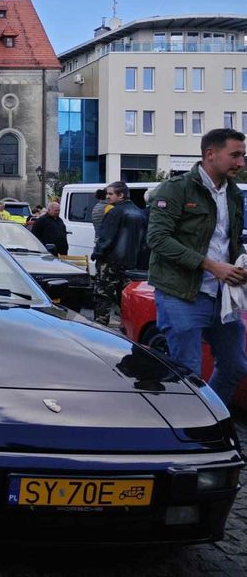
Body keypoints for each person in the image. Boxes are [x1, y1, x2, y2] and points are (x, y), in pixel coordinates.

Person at [147, 128, 247, 406]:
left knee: (235, 366)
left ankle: (209, 419)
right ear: (210, 154)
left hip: (222, 296)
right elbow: (156, 238)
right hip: (180, 293)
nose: (241, 163)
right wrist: (211, 265)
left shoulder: (234, 194)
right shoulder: (175, 189)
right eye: (235, 155)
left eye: (244, 156)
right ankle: (185, 436)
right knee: (187, 372)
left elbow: (230, 240)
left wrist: (238, 265)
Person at [92, 182, 147, 326]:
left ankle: (100, 329)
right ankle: (127, 327)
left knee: (103, 297)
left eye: (110, 194)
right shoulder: (139, 213)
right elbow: (144, 241)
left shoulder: (114, 212)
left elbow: (106, 238)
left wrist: (97, 253)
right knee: (126, 299)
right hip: (130, 264)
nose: (107, 197)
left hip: (111, 262)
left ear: (121, 195)